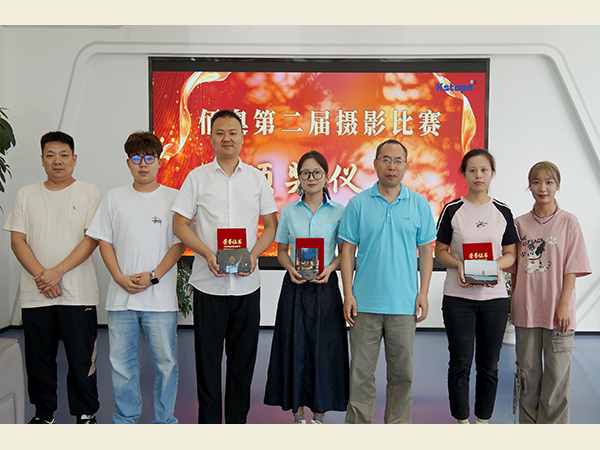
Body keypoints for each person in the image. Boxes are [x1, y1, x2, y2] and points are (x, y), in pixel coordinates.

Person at [171, 109, 278, 423]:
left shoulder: (257, 178)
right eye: (220, 133)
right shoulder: (197, 177)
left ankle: (236, 427)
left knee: (242, 364)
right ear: (211, 138)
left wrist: (254, 255)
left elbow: (271, 225)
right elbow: (180, 224)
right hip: (209, 285)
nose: (227, 138)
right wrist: (206, 253)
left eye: (233, 132)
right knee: (207, 363)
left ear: (243, 137)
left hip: (247, 286)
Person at [86, 131, 186, 424]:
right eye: (136, 158)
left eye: (149, 158)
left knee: (166, 364)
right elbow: (103, 240)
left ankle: (164, 422)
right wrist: (118, 277)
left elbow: (179, 243)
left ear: (159, 161)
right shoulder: (114, 197)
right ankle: (126, 420)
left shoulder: (174, 198)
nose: (143, 164)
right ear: (128, 163)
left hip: (160, 299)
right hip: (122, 299)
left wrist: (154, 276)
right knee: (121, 365)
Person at [3, 131, 101, 424]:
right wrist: (42, 277)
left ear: (74, 159)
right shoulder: (26, 194)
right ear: (42, 160)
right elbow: (17, 241)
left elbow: (91, 240)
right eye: (50, 155)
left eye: (63, 155)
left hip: (78, 294)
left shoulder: (89, 192)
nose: (57, 161)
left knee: (82, 360)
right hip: (36, 295)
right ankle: (43, 415)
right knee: (38, 361)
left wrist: (56, 273)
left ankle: (85, 414)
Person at [339, 139, 436, 424]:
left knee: (402, 376)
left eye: (398, 161)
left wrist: (423, 293)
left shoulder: (419, 204)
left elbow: (426, 252)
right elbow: (347, 251)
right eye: (386, 159)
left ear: (406, 166)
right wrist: (348, 293)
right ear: (376, 164)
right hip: (364, 304)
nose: (391, 166)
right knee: (360, 375)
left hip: (404, 304)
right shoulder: (358, 204)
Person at [264, 151, 349, 424]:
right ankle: (298, 414)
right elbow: (282, 251)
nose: (311, 178)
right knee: (295, 346)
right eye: (305, 173)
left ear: (326, 176)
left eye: (317, 173)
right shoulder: (289, 211)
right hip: (295, 287)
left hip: (325, 287)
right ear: (298, 177)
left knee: (324, 348)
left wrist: (331, 268)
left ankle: (319, 415)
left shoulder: (340, 212)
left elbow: (345, 252)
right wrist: (290, 268)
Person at [435, 148, 519, 424]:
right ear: (464, 174)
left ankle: (483, 421)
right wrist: (459, 264)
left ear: (492, 174)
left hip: (494, 300)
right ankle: (461, 421)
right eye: (472, 170)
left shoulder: (502, 211)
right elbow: (440, 251)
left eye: (484, 170)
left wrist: (494, 266)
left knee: (489, 365)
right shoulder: (453, 210)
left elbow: (511, 254)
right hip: (458, 298)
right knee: (460, 363)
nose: (478, 175)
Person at [509, 161, 591, 423]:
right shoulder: (519, 224)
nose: (542, 188)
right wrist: (513, 301)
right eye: (536, 182)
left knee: (556, 377)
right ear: (529, 186)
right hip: (526, 312)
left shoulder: (569, 222)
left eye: (548, 182)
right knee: (527, 376)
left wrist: (565, 304)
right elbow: (513, 269)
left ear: (557, 186)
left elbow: (572, 267)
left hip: (558, 313)